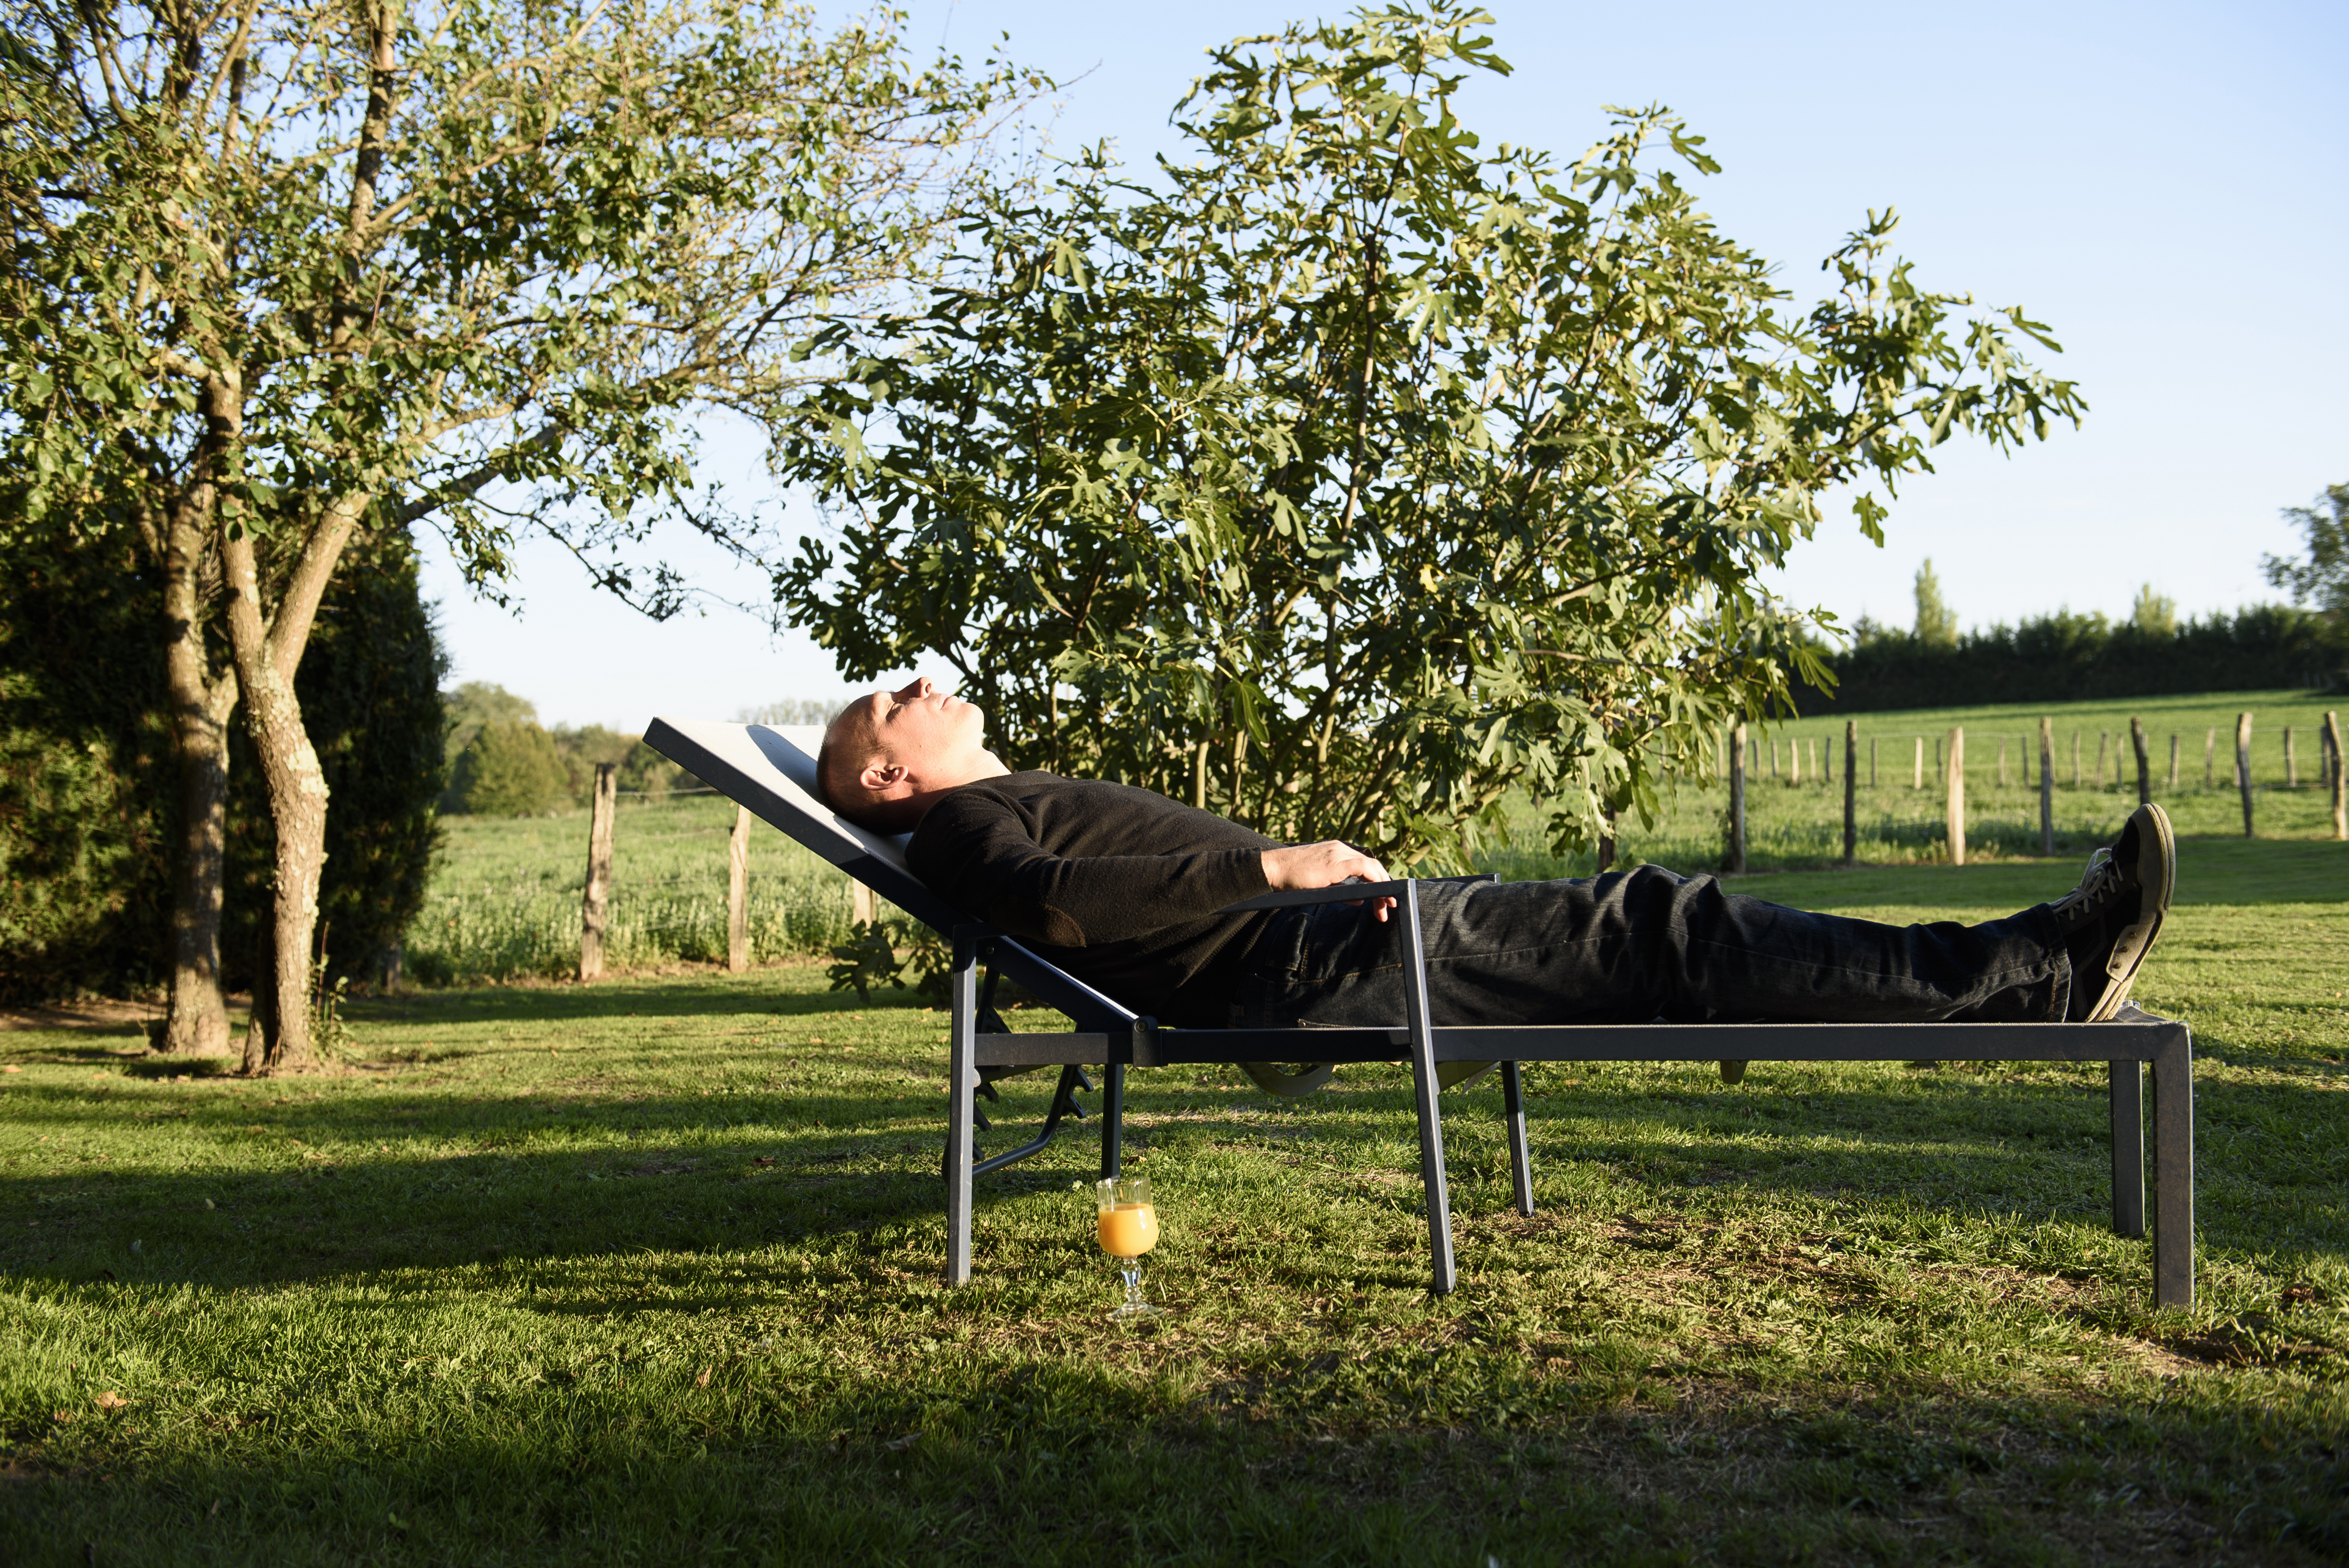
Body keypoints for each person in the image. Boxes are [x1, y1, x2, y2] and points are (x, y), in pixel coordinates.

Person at [814, 676, 2174, 1035]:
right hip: (1305, 956)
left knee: (1656, 927)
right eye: (894, 698)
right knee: (1658, 930)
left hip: (1325, 939)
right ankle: (2031, 967)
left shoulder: (987, 799)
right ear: (888, 776)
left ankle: (2026, 971)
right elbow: (1050, 910)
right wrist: (1270, 869)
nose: (924, 684)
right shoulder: (960, 824)